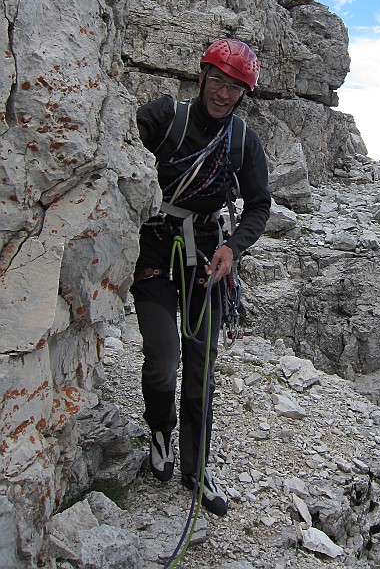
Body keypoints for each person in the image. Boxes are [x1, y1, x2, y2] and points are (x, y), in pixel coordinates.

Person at [131, 38, 271, 516]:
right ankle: (159, 429)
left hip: (206, 255)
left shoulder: (242, 142)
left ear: (242, 93)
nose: (223, 93)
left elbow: (258, 206)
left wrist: (233, 247)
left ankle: (196, 463)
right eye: (217, 80)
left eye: (234, 87)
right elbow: (120, 136)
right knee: (163, 354)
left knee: (200, 362)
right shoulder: (166, 116)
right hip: (153, 245)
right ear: (202, 75)